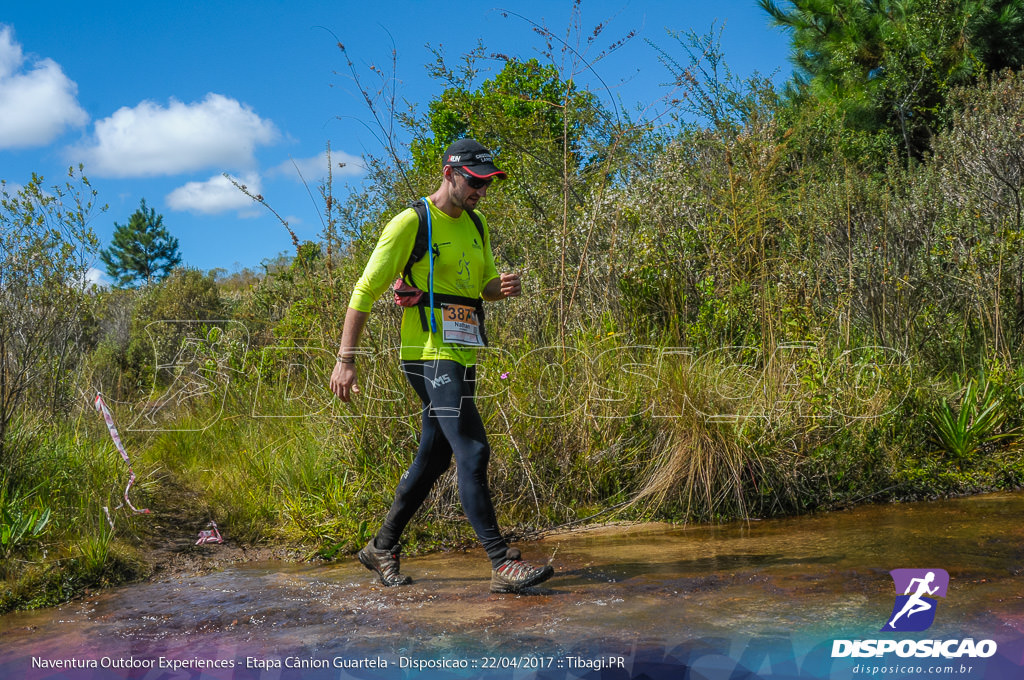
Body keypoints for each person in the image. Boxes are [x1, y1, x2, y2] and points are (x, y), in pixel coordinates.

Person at [329, 139, 554, 594]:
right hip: (427, 354)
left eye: (488, 183)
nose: (482, 191)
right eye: (476, 182)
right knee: (472, 449)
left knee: (435, 457)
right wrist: (345, 360)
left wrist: (498, 287)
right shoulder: (411, 223)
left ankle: (382, 545)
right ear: (450, 173)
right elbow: (364, 291)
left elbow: (482, 286)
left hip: (462, 350)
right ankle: (500, 563)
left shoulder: (477, 223)